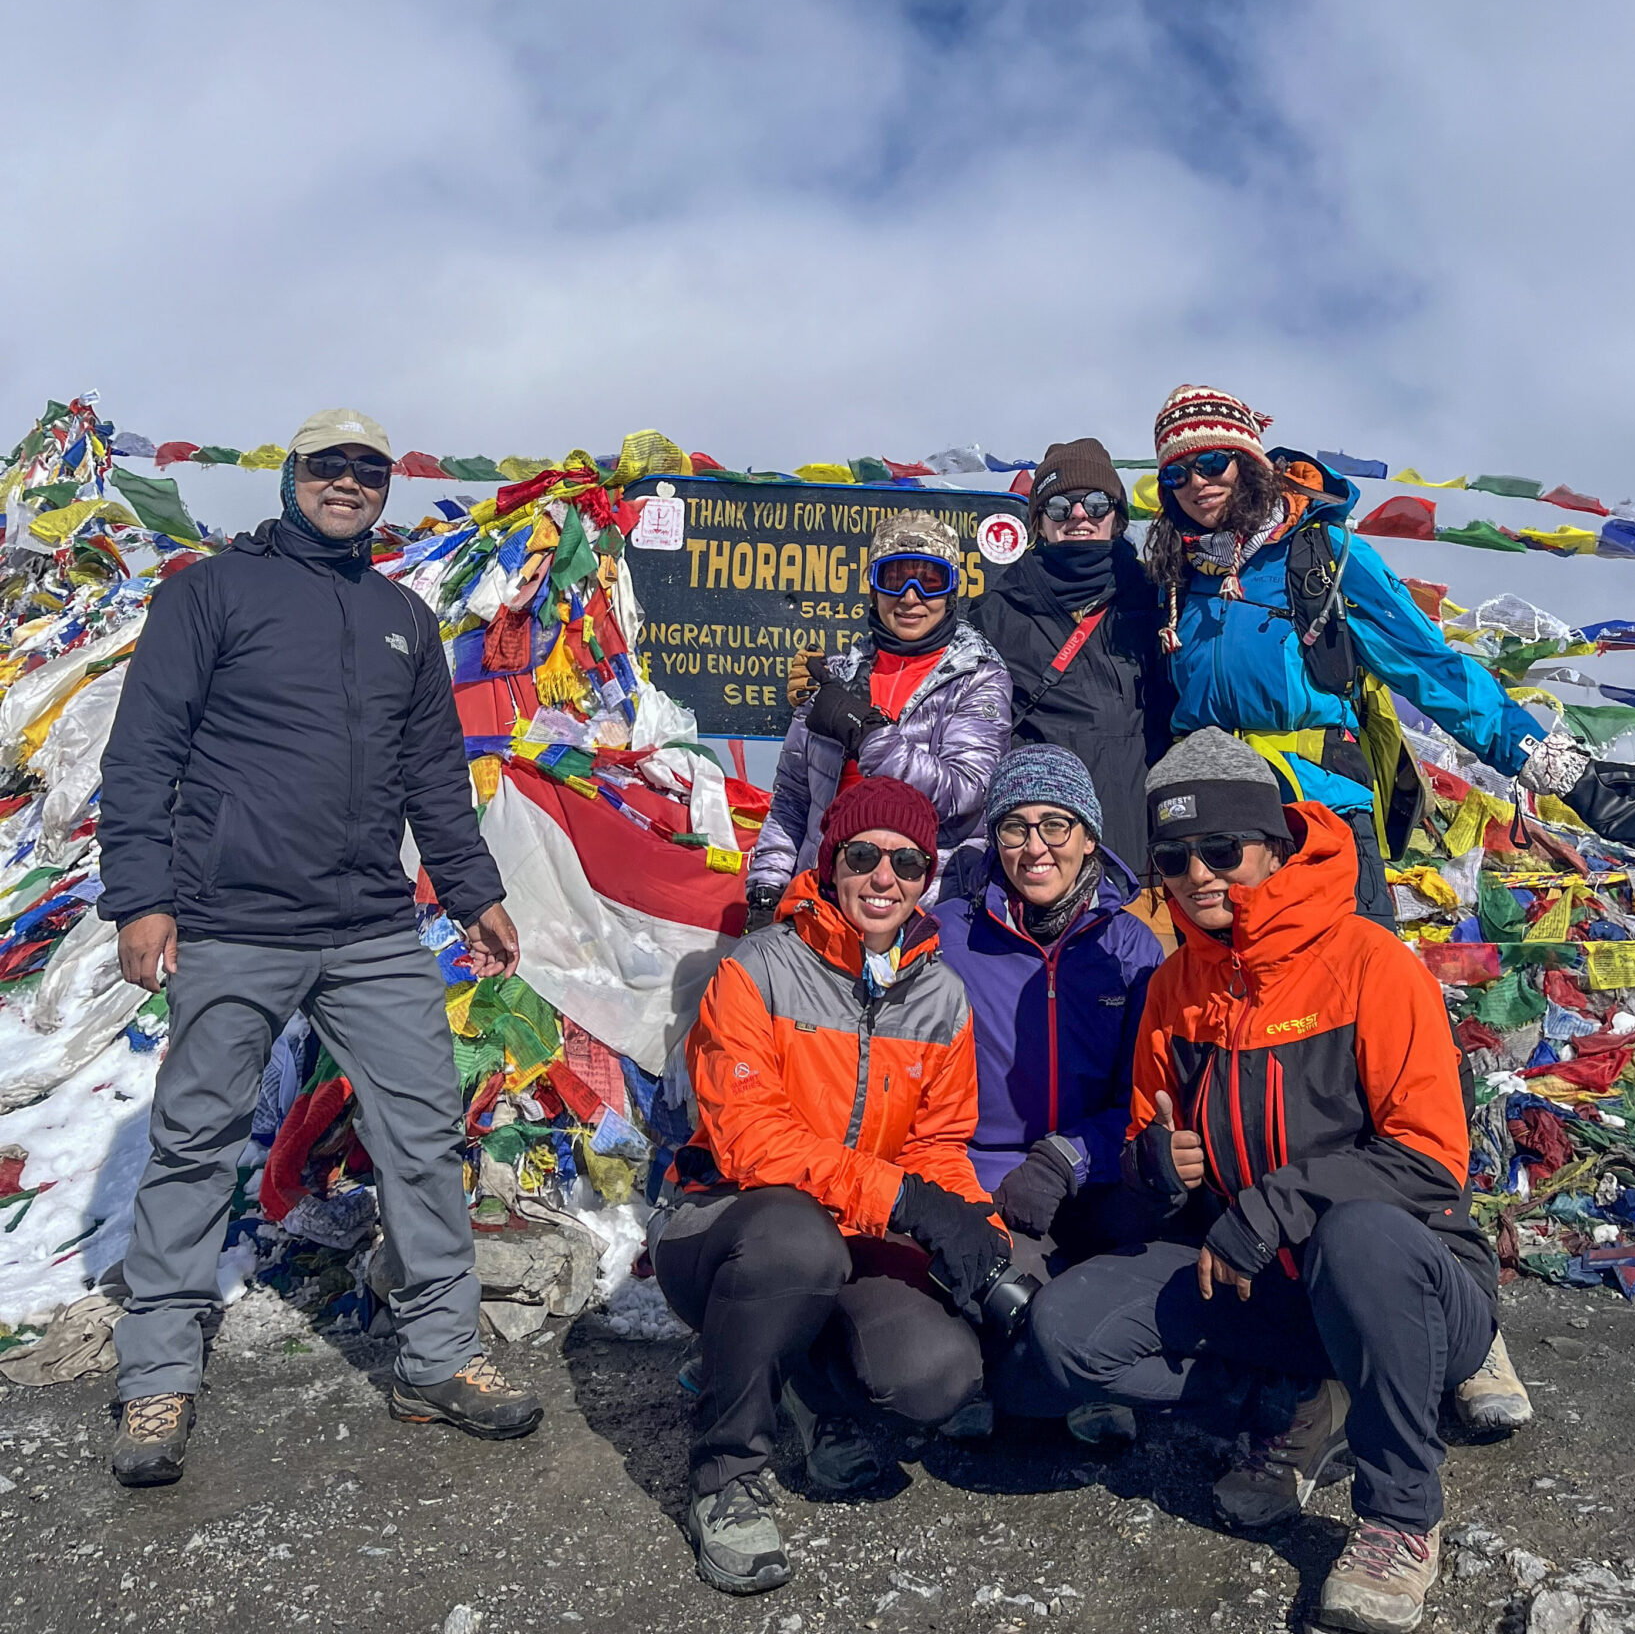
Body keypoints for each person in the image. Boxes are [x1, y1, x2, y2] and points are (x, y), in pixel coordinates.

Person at [97, 409, 542, 1487]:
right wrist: (140, 899)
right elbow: (143, 751)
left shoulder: (401, 616)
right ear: (293, 475)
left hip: (371, 928)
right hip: (234, 919)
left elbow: (435, 775)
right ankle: (158, 1370)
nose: (348, 483)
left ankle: (436, 1354)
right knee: (196, 1139)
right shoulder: (211, 594)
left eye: (368, 470)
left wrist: (474, 891)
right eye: (328, 466)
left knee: (426, 1135)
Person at [1023, 733, 1502, 1634]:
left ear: (1275, 848)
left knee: (1359, 1239)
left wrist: (1274, 1206)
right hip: (1267, 1285)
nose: (1198, 874)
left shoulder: (1370, 962)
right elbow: (1144, 1145)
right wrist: (1152, 1169)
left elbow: (1431, 1158)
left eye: (1221, 850)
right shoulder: (1174, 987)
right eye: (1173, 857)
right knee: (1067, 1334)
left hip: (1411, 1277)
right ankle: (1302, 1399)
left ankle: (1400, 1515)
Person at [651, 776, 1009, 1596]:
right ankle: (724, 1474)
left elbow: (938, 1144)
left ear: (927, 878)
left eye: (908, 863)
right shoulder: (760, 969)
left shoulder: (941, 996)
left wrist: (971, 1228)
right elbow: (750, 1139)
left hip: (850, 1239)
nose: (885, 878)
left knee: (935, 1374)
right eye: (864, 856)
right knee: (793, 1240)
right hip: (725, 1227)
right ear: (831, 862)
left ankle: (802, 1385)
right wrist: (904, 1202)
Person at [1144, 382, 1635, 933]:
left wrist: (1561, 773)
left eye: (1211, 461)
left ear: (1249, 462)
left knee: (1351, 999)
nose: (1196, 483)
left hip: (1317, 814)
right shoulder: (1174, 580)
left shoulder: (1323, 555)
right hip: (1212, 836)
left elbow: (1434, 670)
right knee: (1220, 1006)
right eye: (1175, 474)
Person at [932, 743, 1165, 1441]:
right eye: (1015, 826)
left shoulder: (1131, 947)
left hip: (1091, 1174)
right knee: (1015, 1304)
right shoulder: (949, 937)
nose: (1035, 847)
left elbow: (1143, 1096)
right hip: (985, 1176)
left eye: (1054, 825)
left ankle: (1073, 1376)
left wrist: (1068, 1156)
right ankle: (1018, 1378)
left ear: (1088, 835)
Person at [747, 506, 1011, 920]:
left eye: (930, 581)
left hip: (924, 906)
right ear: (873, 588)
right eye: (893, 578)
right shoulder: (837, 679)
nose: (910, 597)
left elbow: (966, 792)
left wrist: (868, 735)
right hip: (824, 902)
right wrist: (766, 887)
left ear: (951, 591)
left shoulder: (976, 679)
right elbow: (792, 802)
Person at [971, 439, 1174, 876]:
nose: (1079, 515)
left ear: (1117, 518)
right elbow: (938, 698)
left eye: (1096, 503)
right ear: (1039, 523)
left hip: (1145, 851)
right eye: (1060, 506)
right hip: (1039, 854)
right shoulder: (996, 612)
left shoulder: (1158, 599)